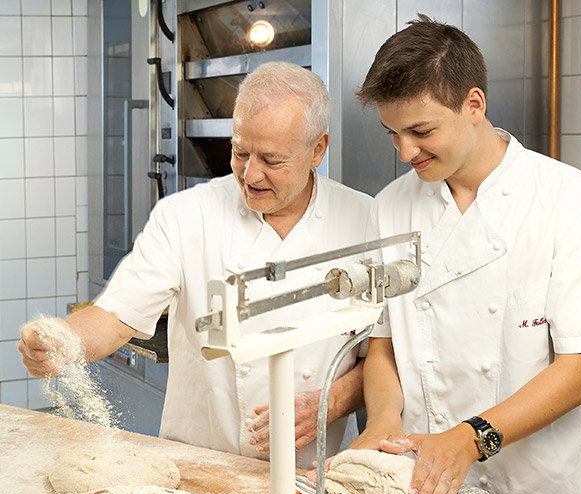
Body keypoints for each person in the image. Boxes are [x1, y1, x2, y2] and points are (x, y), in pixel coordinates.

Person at [19, 62, 372, 469]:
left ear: (318, 149)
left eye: (272, 160)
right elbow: (117, 316)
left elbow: (383, 356)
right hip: (201, 466)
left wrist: (331, 402)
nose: (250, 173)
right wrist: (63, 340)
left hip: (315, 476)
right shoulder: (185, 216)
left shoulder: (363, 219)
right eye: (240, 152)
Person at [352, 15, 581, 494]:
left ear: (473, 105)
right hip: (425, 482)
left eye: (421, 132)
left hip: (539, 488)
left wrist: (470, 439)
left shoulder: (567, 198)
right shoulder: (389, 207)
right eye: (392, 133)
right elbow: (383, 346)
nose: (404, 153)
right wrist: (382, 419)